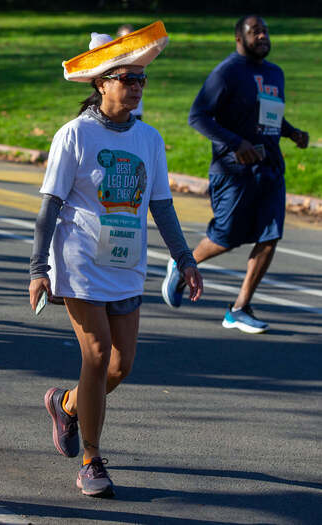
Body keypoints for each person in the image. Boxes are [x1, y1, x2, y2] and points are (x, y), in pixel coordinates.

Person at [29, 23, 203, 498]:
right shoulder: (74, 135)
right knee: (98, 354)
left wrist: (185, 258)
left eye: (140, 79)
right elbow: (50, 206)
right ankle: (91, 459)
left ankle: (66, 404)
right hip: (80, 262)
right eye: (126, 78)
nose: (135, 87)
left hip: (126, 265)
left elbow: (161, 204)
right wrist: (38, 269)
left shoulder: (149, 139)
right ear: (101, 82)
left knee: (121, 367)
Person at [161, 15, 309, 334]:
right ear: (239, 39)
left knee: (270, 237)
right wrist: (236, 143)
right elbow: (197, 116)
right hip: (234, 171)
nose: (263, 36)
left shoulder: (275, 73)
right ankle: (182, 262)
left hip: (269, 168)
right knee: (226, 237)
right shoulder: (227, 72)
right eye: (255, 32)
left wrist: (292, 132)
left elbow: (267, 115)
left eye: (266, 31)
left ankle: (239, 308)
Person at [116, 24, 143, 120]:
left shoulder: (140, 60)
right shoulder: (113, 62)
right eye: (125, 39)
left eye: (132, 39)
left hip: (135, 110)